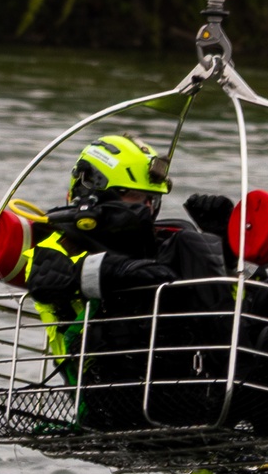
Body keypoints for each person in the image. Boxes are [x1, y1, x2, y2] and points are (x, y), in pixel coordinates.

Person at [23, 133, 230, 428]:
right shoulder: (56, 243)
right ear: (92, 189)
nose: (146, 208)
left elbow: (204, 298)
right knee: (188, 243)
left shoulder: (165, 242)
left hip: (184, 387)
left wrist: (224, 247)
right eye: (133, 197)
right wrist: (118, 269)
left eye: (151, 199)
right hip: (108, 393)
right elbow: (47, 281)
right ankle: (237, 387)